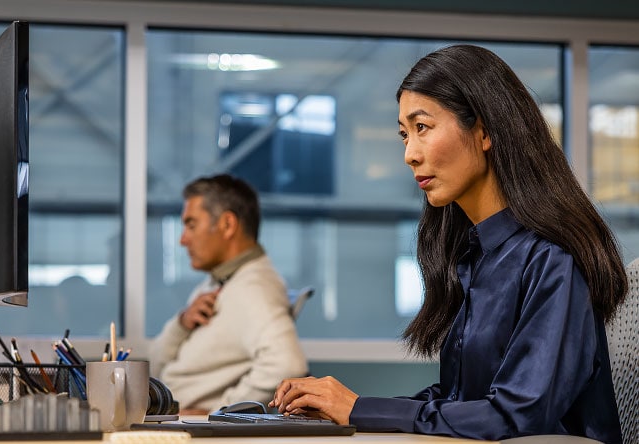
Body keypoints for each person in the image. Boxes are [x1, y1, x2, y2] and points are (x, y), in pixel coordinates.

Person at [269, 45, 627, 444]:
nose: (409, 154)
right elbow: (463, 402)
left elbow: (517, 415)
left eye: (422, 127)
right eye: (404, 135)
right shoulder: (479, 255)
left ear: (485, 130)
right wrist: (350, 408)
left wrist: (359, 408)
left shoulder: (553, 258)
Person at [149, 174, 307, 414]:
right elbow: (154, 364)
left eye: (191, 225)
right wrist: (181, 325)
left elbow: (287, 364)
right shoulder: (218, 283)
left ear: (227, 225)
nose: (183, 239)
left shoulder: (255, 287)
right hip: (169, 415)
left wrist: (219, 414)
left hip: (189, 429)